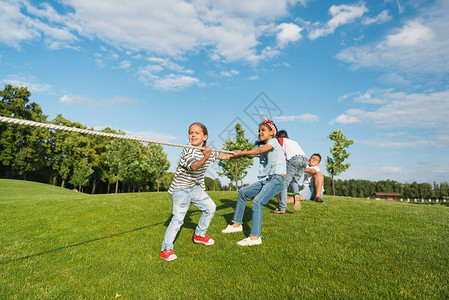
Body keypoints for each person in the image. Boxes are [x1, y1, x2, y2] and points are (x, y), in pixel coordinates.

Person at [160, 122, 232, 261]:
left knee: (210, 208)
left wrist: (245, 154)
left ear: (205, 136)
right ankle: (166, 249)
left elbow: (226, 156)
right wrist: (206, 155)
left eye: (196, 133)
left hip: (196, 188)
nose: (192, 135)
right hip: (181, 190)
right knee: (178, 219)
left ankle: (199, 235)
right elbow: (194, 166)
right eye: (190, 132)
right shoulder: (187, 149)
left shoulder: (208, 150)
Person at [222, 116, 286, 246]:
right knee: (243, 192)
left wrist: (241, 153)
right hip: (268, 179)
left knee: (257, 202)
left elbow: (258, 150)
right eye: (259, 130)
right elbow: (253, 154)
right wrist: (238, 154)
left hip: (277, 179)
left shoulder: (273, 142)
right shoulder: (266, 146)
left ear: (272, 133)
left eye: (263, 130)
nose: (260, 132)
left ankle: (255, 238)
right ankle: (236, 224)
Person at [270, 130, 308, 214]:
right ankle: (296, 194)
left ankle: (282, 209)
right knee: (294, 181)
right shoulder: (294, 142)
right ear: (288, 137)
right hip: (304, 160)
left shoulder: (281, 140)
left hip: (294, 160)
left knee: (284, 183)